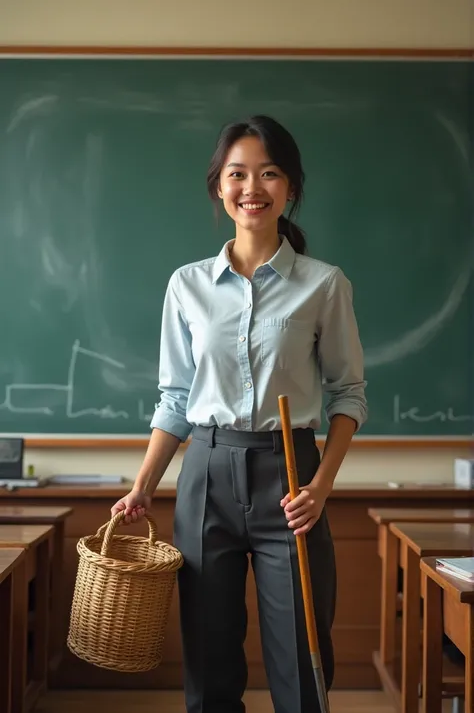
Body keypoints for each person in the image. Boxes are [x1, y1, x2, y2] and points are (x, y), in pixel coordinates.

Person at [111, 114, 367, 713]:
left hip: (291, 477)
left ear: (291, 188)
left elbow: (348, 394)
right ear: (218, 187)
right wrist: (142, 487)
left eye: (270, 173)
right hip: (206, 474)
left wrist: (321, 487)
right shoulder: (187, 285)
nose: (253, 187)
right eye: (238, 174)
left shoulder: (324, 286)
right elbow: (174, 398)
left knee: (302, 657)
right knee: (208, 656)